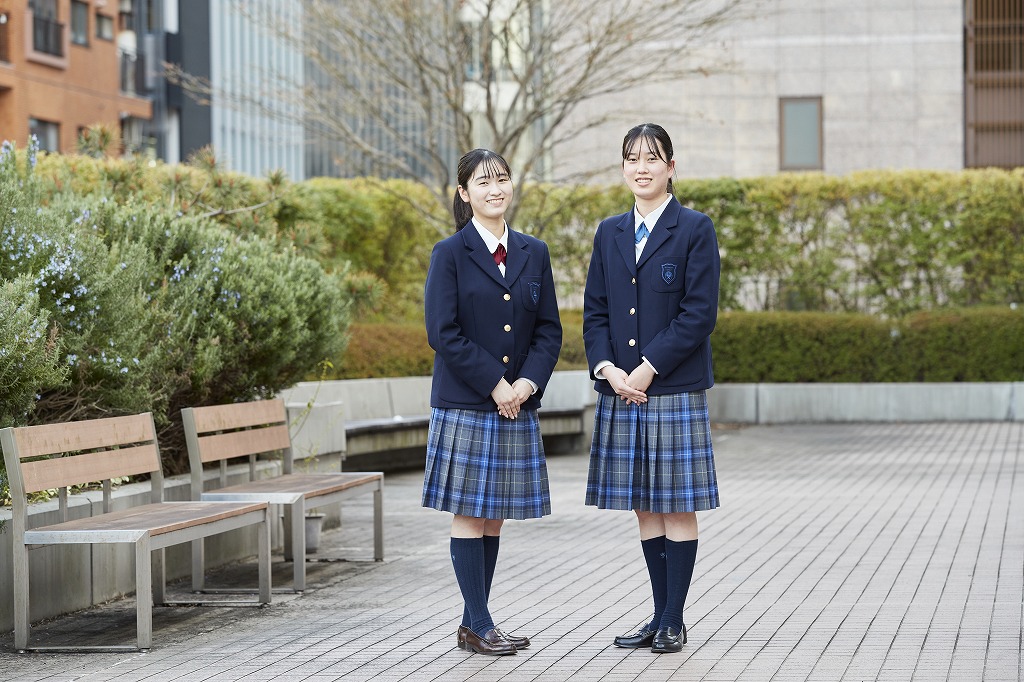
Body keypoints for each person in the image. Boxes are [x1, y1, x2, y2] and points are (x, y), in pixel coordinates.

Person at [582, 123, 721, 654]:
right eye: (632, 159)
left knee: (677, 504)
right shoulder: (609, 232)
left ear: (671, 166)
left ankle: (674, 619)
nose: (641, 168)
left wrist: (647, 367)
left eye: (652, 158)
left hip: (673, 388)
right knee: (645, 505)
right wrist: (608, 368)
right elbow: (596, 311)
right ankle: (657, 616)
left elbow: (698, 314)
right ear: (623, 168)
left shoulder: (694, 228)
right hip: (621, 389)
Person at [422, 148, 562, 656]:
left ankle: (474, 623)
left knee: (495, 513)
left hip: (517, 402)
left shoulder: (534, 252)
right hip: (467, 402)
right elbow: (443, 333)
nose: (494, 189)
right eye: (483, 182)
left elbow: (548, 330)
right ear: (464, 194)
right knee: (468, 511)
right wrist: (494, 383)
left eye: (501, 179)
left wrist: (525, 384)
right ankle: (479, 622)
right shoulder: (450, 253)